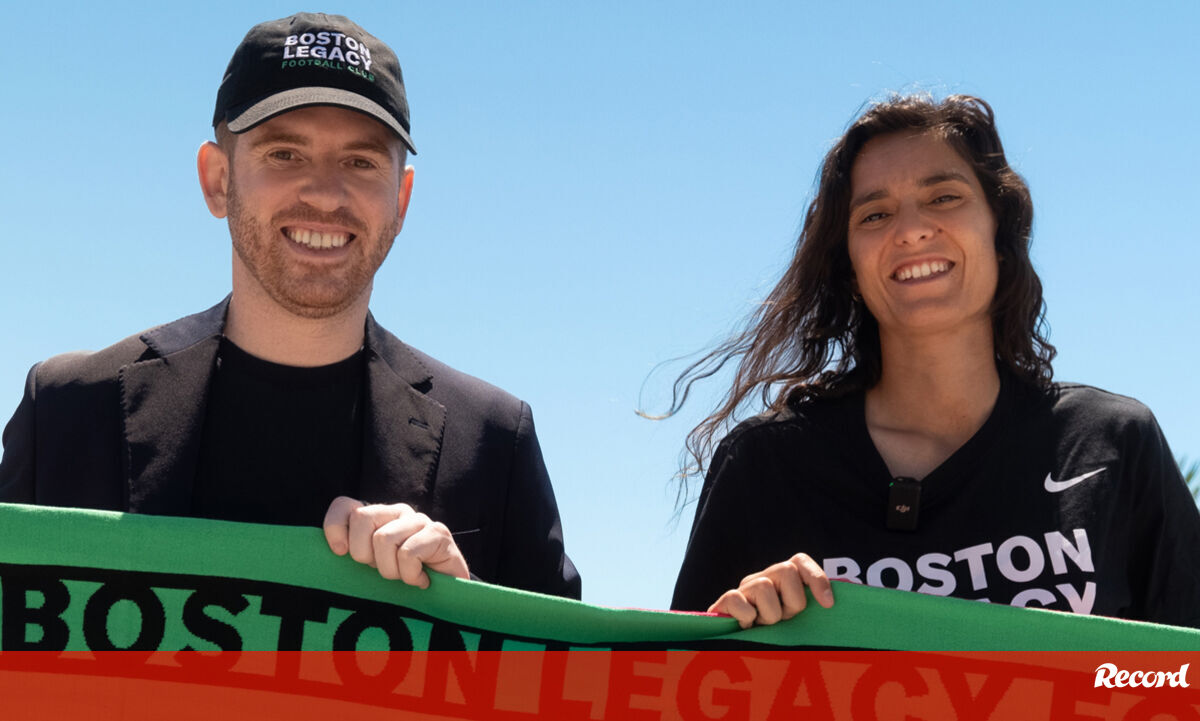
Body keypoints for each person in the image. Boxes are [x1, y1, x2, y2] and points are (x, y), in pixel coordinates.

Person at [0, 12, 580, 600]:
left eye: (361, 162)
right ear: (217, 180)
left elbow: (567, 660)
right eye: (284, 154)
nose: (325, 195)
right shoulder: (69, 414)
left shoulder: (492, 444)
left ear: (401, 199)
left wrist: (468, 606)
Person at [668, 94, 1200, 628]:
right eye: (875, 214)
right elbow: (674, 675)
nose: (911, 230)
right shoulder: (765, 467)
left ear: (999, 232)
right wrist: (740, 628)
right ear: (849, 268)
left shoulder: (1111, 443)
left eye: (944, 197)